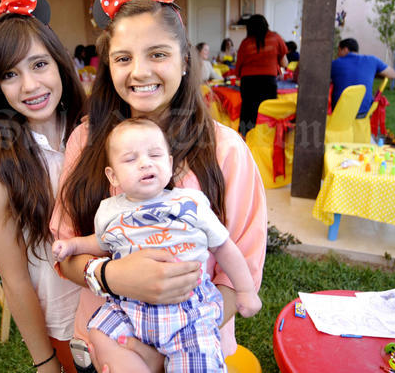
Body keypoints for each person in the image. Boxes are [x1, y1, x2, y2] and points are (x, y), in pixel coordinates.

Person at [51, 0, 267, 373]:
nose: (139, 72)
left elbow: (242, 271)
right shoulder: (85, 140)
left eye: (158, 54)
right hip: (109, 345)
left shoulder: (226, 151)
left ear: (185, 61)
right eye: (123, 58)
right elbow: (64, 252)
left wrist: (173, 336)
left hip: (195, 346)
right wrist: (112, 276)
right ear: (109, 66)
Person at [52, 118, 261, 371]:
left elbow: (225, 248)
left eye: (155, 154)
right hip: (128, 307)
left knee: (199, 358)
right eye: (130, 159)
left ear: (170, 163)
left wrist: (246, 291)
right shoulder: (110, 210)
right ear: (113, 176)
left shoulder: (190, 203)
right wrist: (73, 246)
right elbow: (100, 241)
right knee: (101, 332)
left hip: (188, 310)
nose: (145, 163)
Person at [0, 0, 86, 373]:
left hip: (124, 305)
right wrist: (45, 361)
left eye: (38, 65)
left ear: (59, 63)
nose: (30, 86)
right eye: (10, 74)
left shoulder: (92, 129)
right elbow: (15, 280)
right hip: (67, 325)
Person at [234, 14, 288, 137]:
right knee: (267, 111)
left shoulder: (245, 43)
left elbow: (238, 69)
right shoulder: (275, 38)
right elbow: (285, 62)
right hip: (268, 81)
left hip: (248, 82)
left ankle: (246, 142)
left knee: (247, 112)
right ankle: (266, 140)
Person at [331, 38, 395, 117]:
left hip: (340, 115)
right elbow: (393, 74)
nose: (338, 54)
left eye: (339, 50)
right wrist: (372, 74)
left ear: (345, 49)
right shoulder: (372, 60)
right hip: (364, 114)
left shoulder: (334, 64)